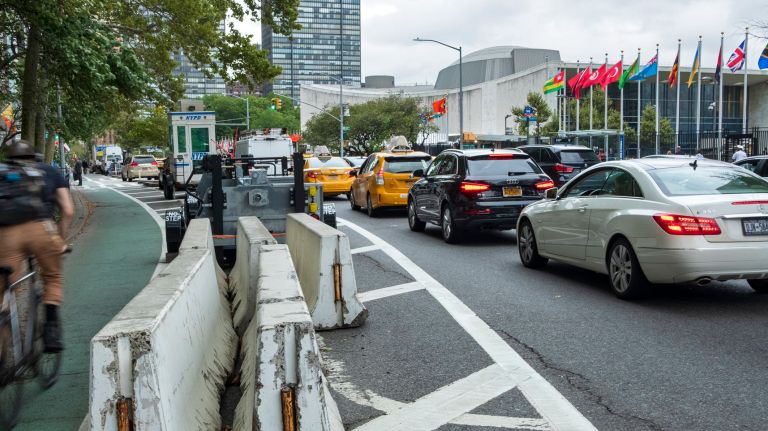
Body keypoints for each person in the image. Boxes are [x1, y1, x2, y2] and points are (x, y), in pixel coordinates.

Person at [0, 140, 73, 352]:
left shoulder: (3, 173)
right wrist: (60, 240)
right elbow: (67, 211)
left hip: (6, 234)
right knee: (52, 277)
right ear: (34, 157)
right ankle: (51, 330)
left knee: (4, 289)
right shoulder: (48, 171)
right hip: (41, 229)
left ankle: (3, 353)